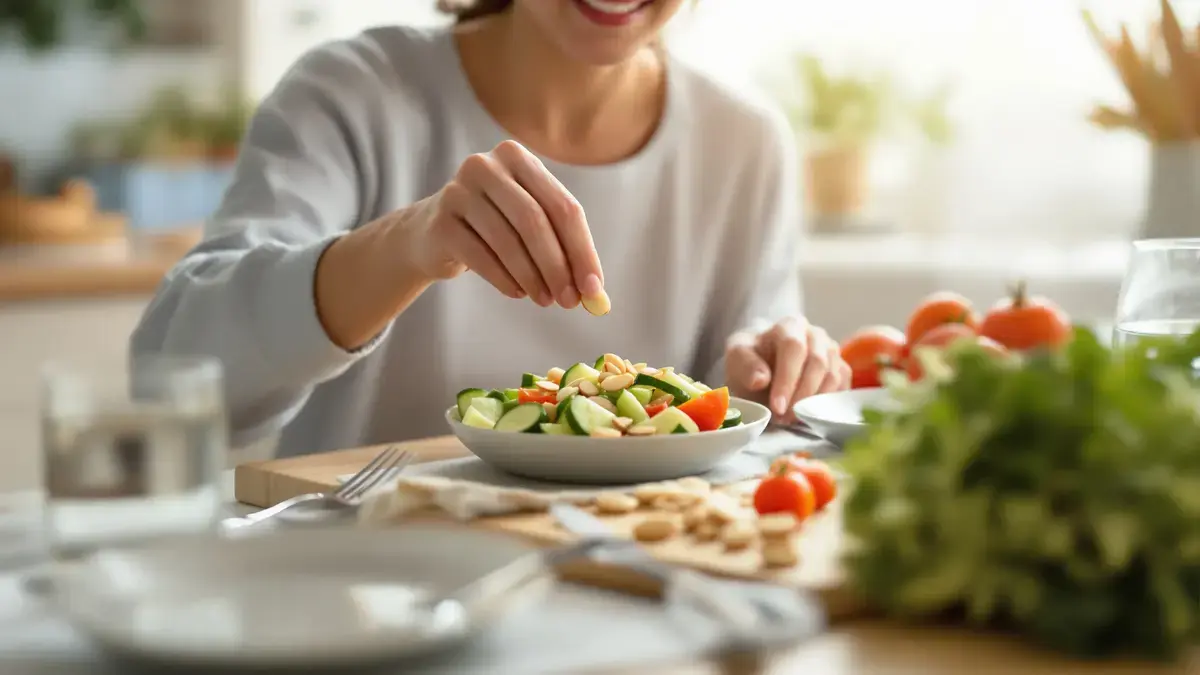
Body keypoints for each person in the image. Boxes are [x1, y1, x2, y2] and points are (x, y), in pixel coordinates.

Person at [130, 0, 851, 457]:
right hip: (356, 596)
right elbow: (172, 374)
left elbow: (746, 402)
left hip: (622, 595)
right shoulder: (352, 92)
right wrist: (407, 244)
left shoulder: (745, 140)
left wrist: (776, 367)